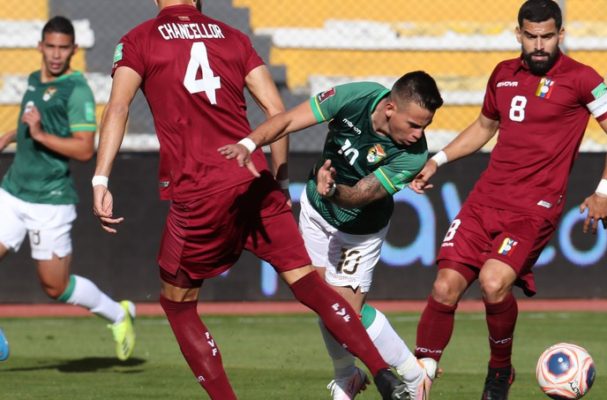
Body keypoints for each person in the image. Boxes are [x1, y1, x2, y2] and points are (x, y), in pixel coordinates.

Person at [92, 1, 408, 399]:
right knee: (309, 283)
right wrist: (280, 180)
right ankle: (382, 371)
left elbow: (118, 106)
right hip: (254, 177)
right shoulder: (234, 37)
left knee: (178, 304)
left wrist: (101, 178)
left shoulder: (139, 40)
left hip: (201, 188)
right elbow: (276, 111)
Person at [409, 1, 607, 399]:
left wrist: (604, 192)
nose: (539, 44)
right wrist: (437, 160)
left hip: (534, 211)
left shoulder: (583, 79)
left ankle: (499, 371)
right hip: (484, 201)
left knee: (494, 283)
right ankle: (420, 376)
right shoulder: (502, 74)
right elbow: (484, 127)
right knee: (444, 287)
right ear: (519, 35)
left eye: (547, 36)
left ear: (560, 36)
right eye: (531, 36)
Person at [219, 71, 443, 400]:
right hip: (315, 209)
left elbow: (361, 195)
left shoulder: (413, 154)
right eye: (414, 124)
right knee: (324, 302)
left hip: (360, 230)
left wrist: (333, 189)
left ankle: (413, 373)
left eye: (425, 126)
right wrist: (249, 143)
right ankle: (348, 375)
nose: (419, 134)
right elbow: (287, 121)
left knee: (345, 311)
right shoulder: (357, 96)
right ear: (391, 107)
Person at [0, 16, 136, 362]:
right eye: (51, 47)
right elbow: (33, 125)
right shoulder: (33, 80)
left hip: (50, 201)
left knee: (55, 287)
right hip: (14, 191)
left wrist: (40, 135)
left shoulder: (76, 90)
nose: (57, 54)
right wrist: (10, 136)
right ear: (40, 47)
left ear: (74, 50)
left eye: (64, 48)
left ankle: (119, 315)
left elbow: (84, 148)